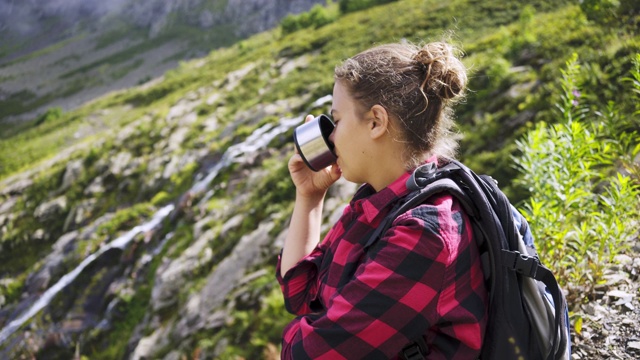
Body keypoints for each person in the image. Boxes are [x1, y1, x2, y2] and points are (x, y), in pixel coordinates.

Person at [277, 40, 488, 359]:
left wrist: (307, 328)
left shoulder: (422, 234)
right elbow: (300, 293)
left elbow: (308, 354)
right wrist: (309, 196)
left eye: (337, 121)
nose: (330, 137)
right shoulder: (380, 201)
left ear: (376, 121)